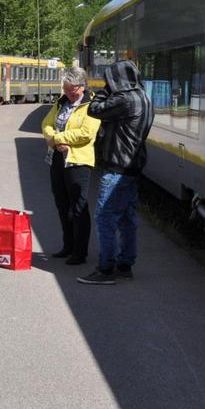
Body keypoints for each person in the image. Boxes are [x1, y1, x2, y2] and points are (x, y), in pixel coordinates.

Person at [78, 59, 155, 285]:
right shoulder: (143, 96)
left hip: (117, 167)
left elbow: (94, 109)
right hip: (132, 166)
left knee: (105, 217)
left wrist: (104, 91)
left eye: (110, 80)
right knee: (127, 218)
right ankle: (125, 265)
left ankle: (106, 269)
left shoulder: (124, 99)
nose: (107, 83)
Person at [40, 67, 100, 266]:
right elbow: (46, 123)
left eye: (70, 90)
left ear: (81, 86)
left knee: (78, 207)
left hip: (78, 161)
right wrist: (52, 138)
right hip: (56, 159)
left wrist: (57, 138)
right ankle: (67, 245)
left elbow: (86, 133)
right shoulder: (61, 102)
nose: (66, 93)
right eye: (65, 89)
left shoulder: (91, 105)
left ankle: (79, 251)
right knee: (62, 204)